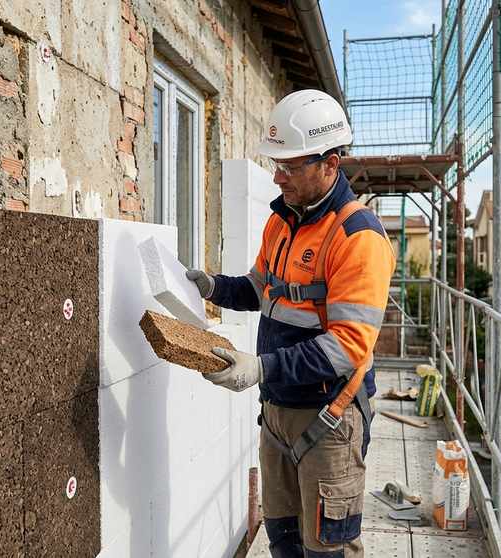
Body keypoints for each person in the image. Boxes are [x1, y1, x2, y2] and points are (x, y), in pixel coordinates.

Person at [186, 89, 395, 558]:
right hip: (277, 413)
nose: (277, 176)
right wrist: (211, 287)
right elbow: (261, 289)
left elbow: (347, 348)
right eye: (277, 163)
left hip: (329, 420)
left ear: (331, 164)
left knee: (326, 552)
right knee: (283, 542)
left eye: (290, 165)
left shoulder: (358, 236)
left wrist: (259, 368)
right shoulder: (282, 223)